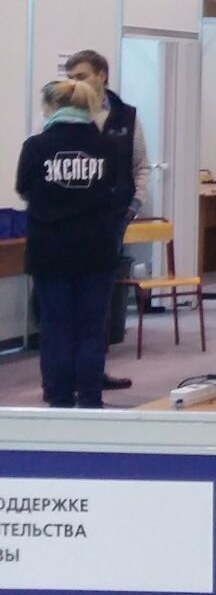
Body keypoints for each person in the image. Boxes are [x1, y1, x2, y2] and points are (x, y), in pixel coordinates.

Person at [16, 79, 129, 408]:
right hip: (97, 249)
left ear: (51, 106)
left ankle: (59, 400)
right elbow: (120, 191)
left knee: (56, 327)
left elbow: (24, 188)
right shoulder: (108, 146)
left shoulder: (36, 147)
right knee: (92, 328)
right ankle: (91, 399)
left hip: (50, 250)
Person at [62, 50, 145, 392]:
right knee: (68, 302)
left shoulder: (126, 116)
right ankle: (66, 375)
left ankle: (94, 371)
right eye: (70, 78)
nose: (74, 84)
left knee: (99, 302)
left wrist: (132, 207)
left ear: (102, 75)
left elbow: (140, 166)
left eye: (80, 76)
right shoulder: (62, 115)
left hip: (111, 221)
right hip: (69, 223)